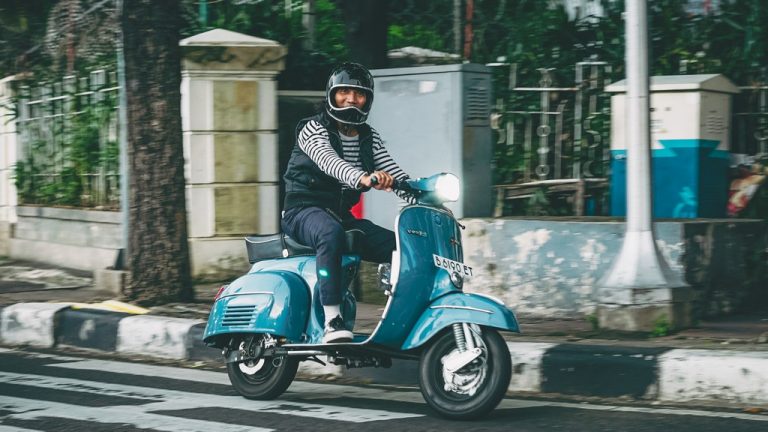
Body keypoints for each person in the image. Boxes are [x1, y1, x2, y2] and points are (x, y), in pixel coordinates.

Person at [281, 62, 412, 343]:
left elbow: (395, 173)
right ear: (332, 94)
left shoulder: (368, 137)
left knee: (403, 245)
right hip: (302, 211)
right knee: (330, 233)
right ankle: (332, 319)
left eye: (359, 93)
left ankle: (403, 315)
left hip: (340, 215)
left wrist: (422, 193)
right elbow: (329, 161)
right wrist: (362, 177)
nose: (351, 99)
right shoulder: (312, 128)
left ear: (368, 99)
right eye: (344, 92)